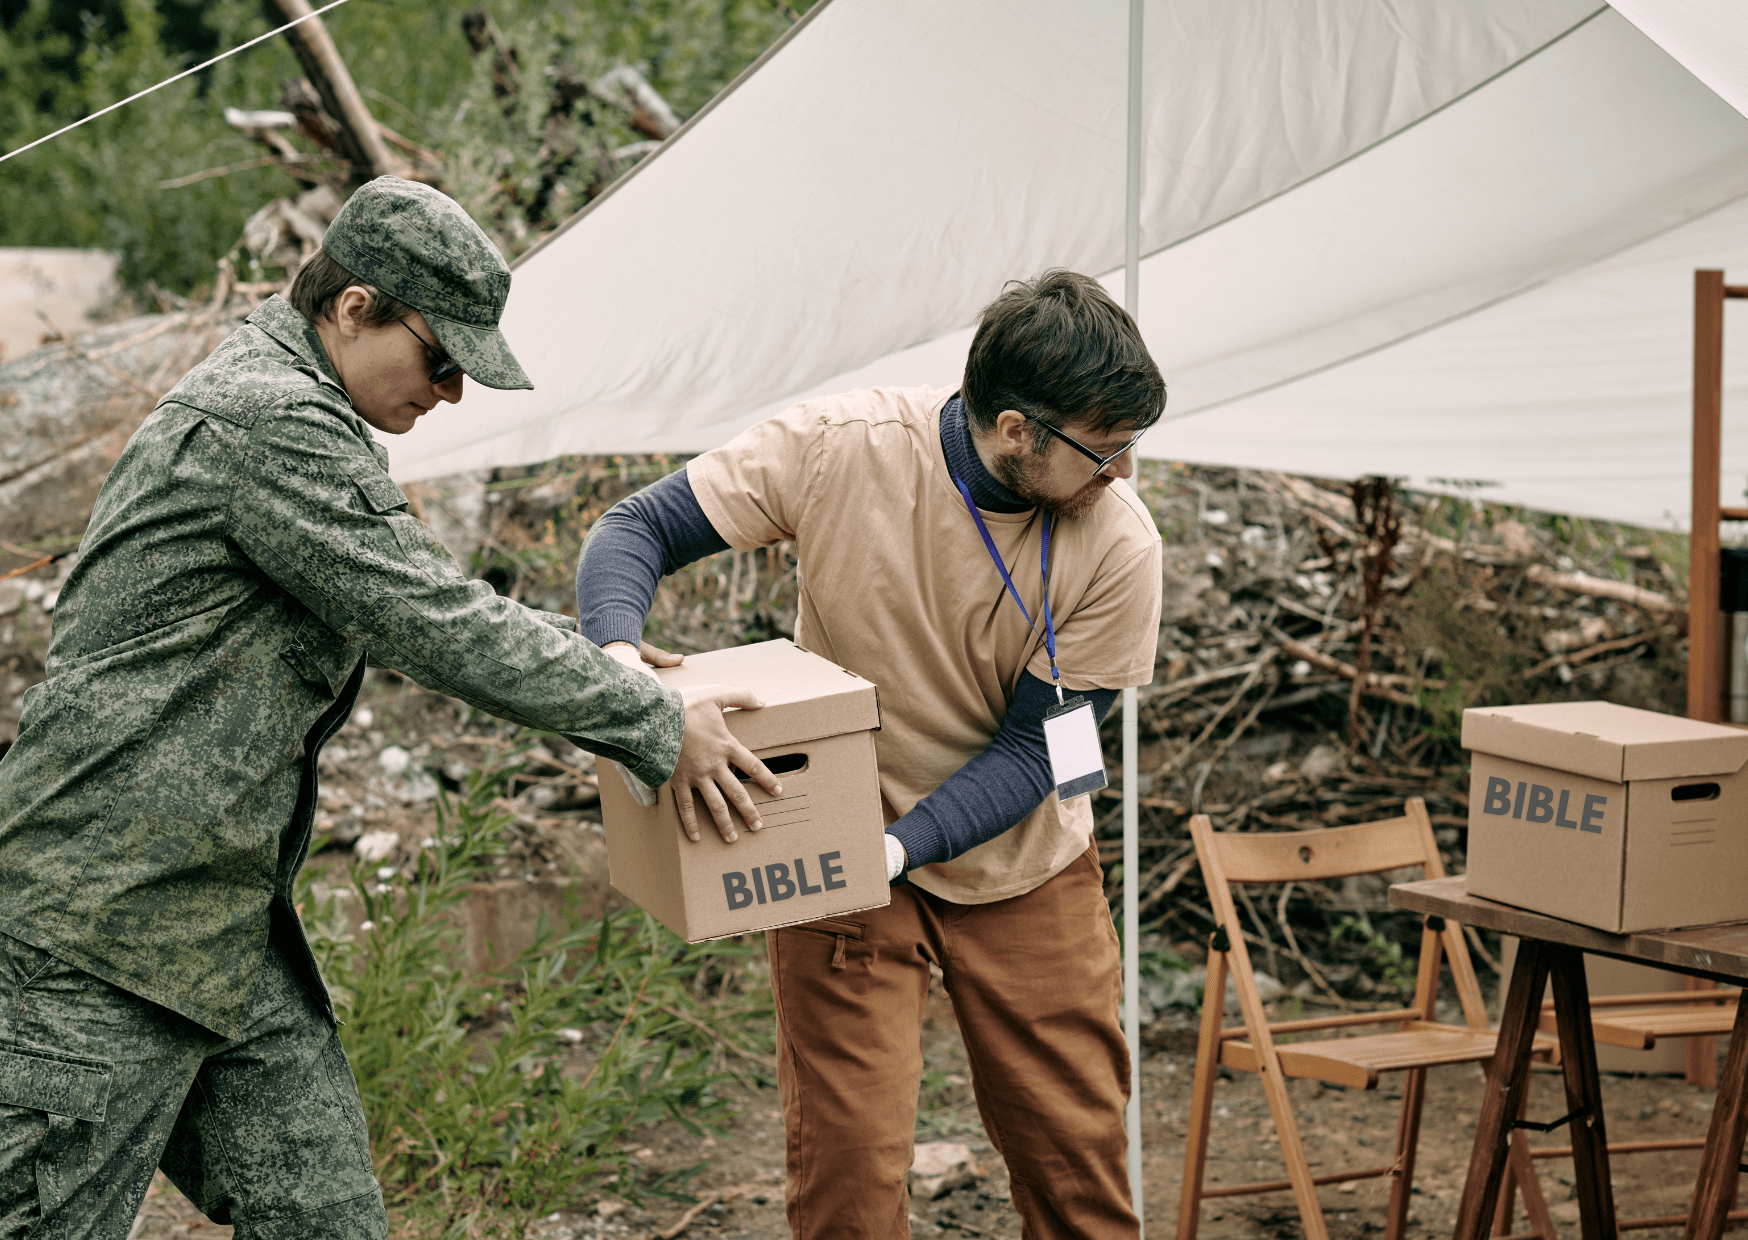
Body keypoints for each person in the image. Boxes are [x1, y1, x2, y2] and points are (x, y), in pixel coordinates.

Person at [0, 175, 773, 1238]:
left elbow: (426, 590)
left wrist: (625, 677)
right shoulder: (264, 418)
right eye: (441, 359)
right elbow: (431, 618)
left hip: (219, 928)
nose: (450, 393)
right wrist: (646, 719)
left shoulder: (303, 409)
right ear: (354, 305)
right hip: (102, 924)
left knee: (328, 1220)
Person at [576, 269, 1165, 1239]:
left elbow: (1039, 752)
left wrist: (896, 850)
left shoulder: (1116, 546)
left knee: (1076, 1168)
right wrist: (622, 669)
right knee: (846, 1178)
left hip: (1023, 861)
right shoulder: (838, 449)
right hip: (840, 861)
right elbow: (634, 530)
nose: (1124, 474)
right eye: (1105, 450)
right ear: (1015, 428)